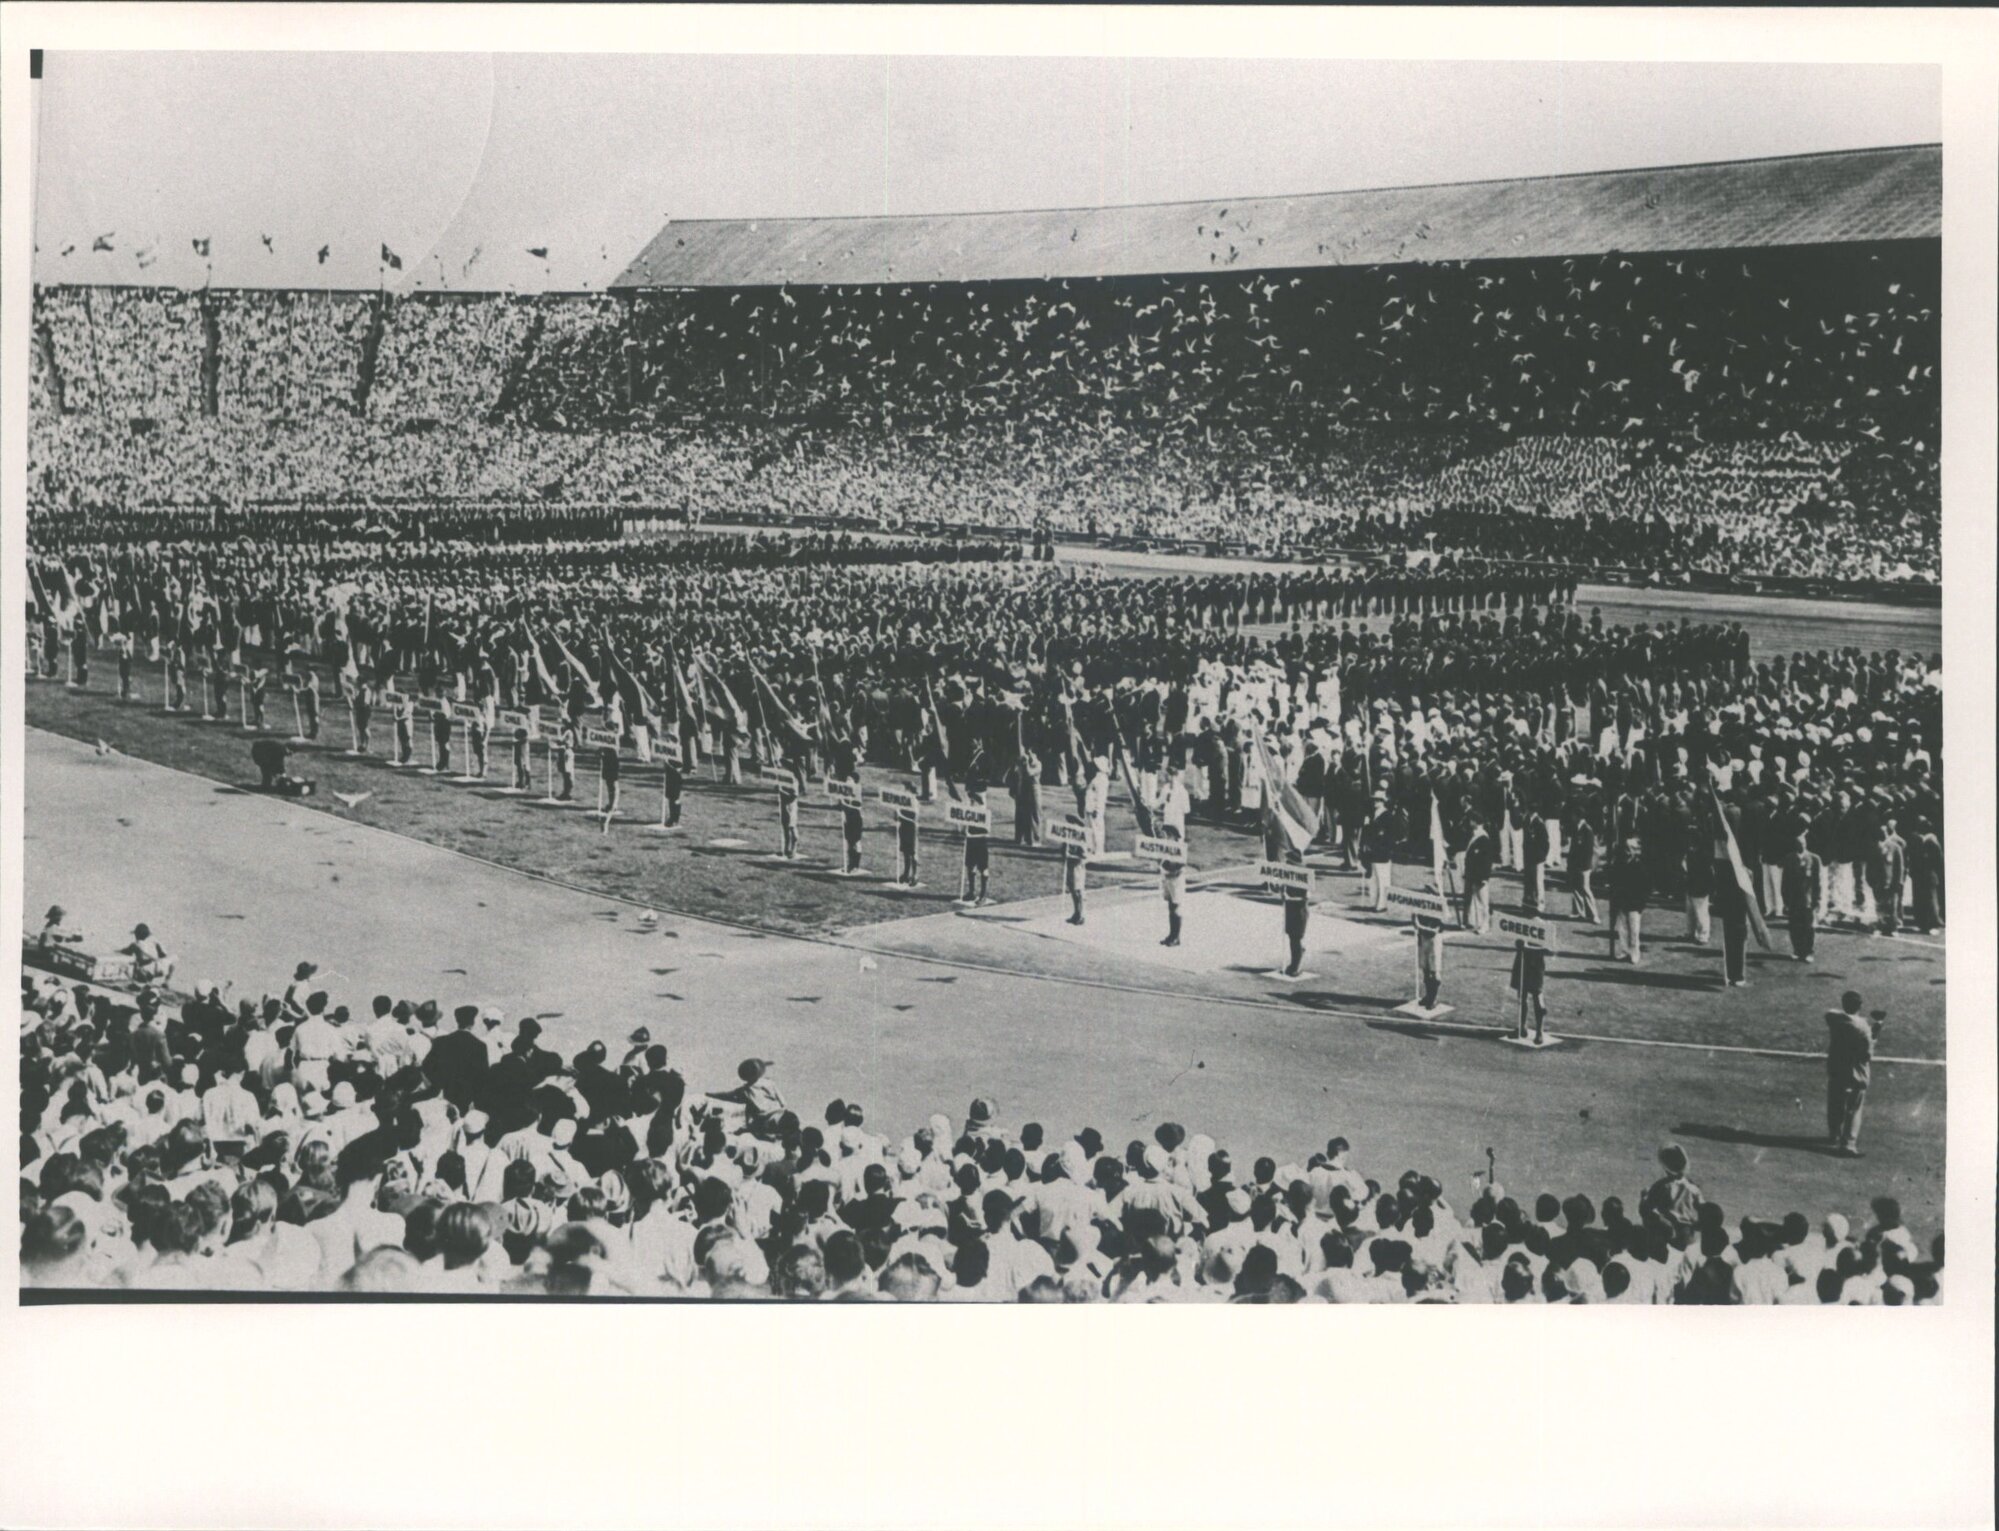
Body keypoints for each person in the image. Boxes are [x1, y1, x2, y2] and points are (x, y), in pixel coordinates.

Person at [1825, 991, 1886, 1158]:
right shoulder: (1863, 1027)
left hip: (1837, 1067)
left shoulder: (1834, 1019)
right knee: (1853, 1108)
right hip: (1855, 1071)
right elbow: (1867, 1053)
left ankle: (1834, 1135)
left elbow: (1833, 1013)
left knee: (1835, 1102)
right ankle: (1848, 1145)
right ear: (1860, 1006)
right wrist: (1877, 1027)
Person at [1781, 835, 1824, 963]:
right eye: (1799, 844)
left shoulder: (1814, 859)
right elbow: (1785, 882)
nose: (1802, 846)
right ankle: (1797, 950)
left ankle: (1808, 952)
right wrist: (1786, 901)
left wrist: (1817, 900)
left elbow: (1818, 882)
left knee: (1808, 927)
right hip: (1794, 899)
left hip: (1808, 900)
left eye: (1803, 843)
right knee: (1794, 926)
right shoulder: (1789, 859)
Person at [1868, 816, 1907, 936]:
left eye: (1884, 832)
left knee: (1892, 905)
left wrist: (1898, 881)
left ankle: (1893, 928)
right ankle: (1881, 926)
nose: (1883, 834)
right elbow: (1870, 866)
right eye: (1880, 833)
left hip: (1891, 882)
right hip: (1878, 882)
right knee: (1880, 906)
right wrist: (1870, 880)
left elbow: (1899, 866)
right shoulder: (1875, 848)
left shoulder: (1895, 847)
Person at [1908, 819, 1943, 933]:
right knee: (1919, 899)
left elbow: (1938, 859)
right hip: (1919, 874)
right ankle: (1922, 923)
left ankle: (1932, 925)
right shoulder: (1918, 840)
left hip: (1927, 873)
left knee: (1929, 899)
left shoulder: (1930, 841)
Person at [1509, 938, 1548, 1041]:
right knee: (1521, 996)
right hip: (1522, 961)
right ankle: (1522, 1027)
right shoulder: (1521, 923)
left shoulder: (1543, 926)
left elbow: (1548, 950)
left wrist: (1528, 948)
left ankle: (1539, 1032)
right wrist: (1519, 945)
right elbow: (1517, 943)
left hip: (1536, 965)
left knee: (1538, 997)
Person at [959, 782, 991, 905]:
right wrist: (963, 829)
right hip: (971, 839)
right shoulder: (971, 806)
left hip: (980, 840)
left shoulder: (982, 808)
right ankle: (972, 891)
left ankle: (983, 894)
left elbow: (985, 829)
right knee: (970, 866)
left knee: (983, 868)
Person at [1280, 848, 1310, 979]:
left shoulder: (1305, 876)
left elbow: (1307, 897)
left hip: (1299, 910)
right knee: (1291, 936)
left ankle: (1295, 966)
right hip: (1290, 908)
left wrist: (1288, 897)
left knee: (1295, 938)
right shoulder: (1289, 874)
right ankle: (1295, 961)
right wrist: (1283, 892)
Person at [1460, 820, 1493, 933]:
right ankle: (1479, 924)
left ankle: (1485, 924)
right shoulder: (1474, 836)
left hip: (1480, 875)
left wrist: (1484, 877)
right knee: (1477, 902)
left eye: (1473, 821)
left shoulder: (1483, 839)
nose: (1470, 823)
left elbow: (1487, 860)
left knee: (1483, 902)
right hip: (1472, 874)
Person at [1567, 812, 1599, 925]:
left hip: (1583, 865)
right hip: (1575, 864)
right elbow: (1573, 847)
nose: (1572, 817)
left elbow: (1588, 850)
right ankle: (1579, 912)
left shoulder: (1587, 830)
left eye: (1573, 815)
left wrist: (1583, 866)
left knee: (1585, 889)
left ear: (1578, 816)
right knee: (1575, 887)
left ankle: (1594, 915)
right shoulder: (1576, 828)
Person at [1158, 825, 1186, 947]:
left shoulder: (1179, 848)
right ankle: (1171, 935)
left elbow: (1180, 865)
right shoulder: (1165, 846)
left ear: (1173, 835)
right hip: (1167, 878)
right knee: (1170, 906)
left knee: (1175, 907)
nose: (1165, 836)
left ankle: (1176, 937)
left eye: (1167, 834)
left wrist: (1169, 869)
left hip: (1176, 880)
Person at [1413, 909, 1445, 1010]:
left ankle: (1433, 998)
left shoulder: (1437, 905)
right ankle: (1428, 996)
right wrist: (1414, 918)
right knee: (1425, 967)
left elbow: (1437, 928)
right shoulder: (1421, 906)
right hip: (1423, 936)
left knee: (1434, 970)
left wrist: (1420, 926)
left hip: (1434, 939)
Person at [1061, 818, 1087, 925]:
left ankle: (1081, 914)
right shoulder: (1067, 839)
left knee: (1078, 891)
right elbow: (1062, 852)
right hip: (1070, 867)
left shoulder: (1081, 840)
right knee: (1072, 890)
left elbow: (1084, 856)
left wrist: (1070, 855)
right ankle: (1076, 912)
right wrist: (1064, 852)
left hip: (1077, 868)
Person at [894, 787, 921, 887]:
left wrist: (901, 815)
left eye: (906, 790)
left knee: (913, 852)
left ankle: (915, 875)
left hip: (911, 828)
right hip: (903, 827)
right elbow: (896, 816)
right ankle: (906, 873)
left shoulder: (914, 802)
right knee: (905, 851)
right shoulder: (902, 801)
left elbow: (915, 817)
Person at [776, 763, 800, 860]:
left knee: (791, 827)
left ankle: (793, 850)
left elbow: (794, 795)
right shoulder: (784, 778)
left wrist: (781, 791)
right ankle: (786, 849)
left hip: (790, 806)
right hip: (784, 806)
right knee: (785, 828)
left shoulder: (793, 780)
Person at [840, 787, 865, 875]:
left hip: (856, 820)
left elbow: (857, 804)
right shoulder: (846, 796)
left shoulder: (857, 794)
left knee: (856, 843)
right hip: (849, 820)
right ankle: (850, 864)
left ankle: (856, 865)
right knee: (849, 843)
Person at [598, 739, 622, 830]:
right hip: (607, 762)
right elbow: (599, 751)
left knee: (613, 784)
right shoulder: (605, 740)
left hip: (612, 763)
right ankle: (611, 803)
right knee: (609, 784)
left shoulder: (614, 739)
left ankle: (614, 804)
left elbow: (616, 752)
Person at [659, 749, 683, 829]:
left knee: (675, 796)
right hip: (671, 765)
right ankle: (673, 817)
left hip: (676, 768)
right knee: (670, 795)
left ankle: (674, 818)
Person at [510, 725, 533, 793]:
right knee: (518, 763)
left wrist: (517, 741)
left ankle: (527, 783)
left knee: (524, 763)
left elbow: (526, 737)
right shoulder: (518, 724)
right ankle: (521, 781)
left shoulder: (525, 724)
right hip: (519, 744)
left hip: (523, 745)